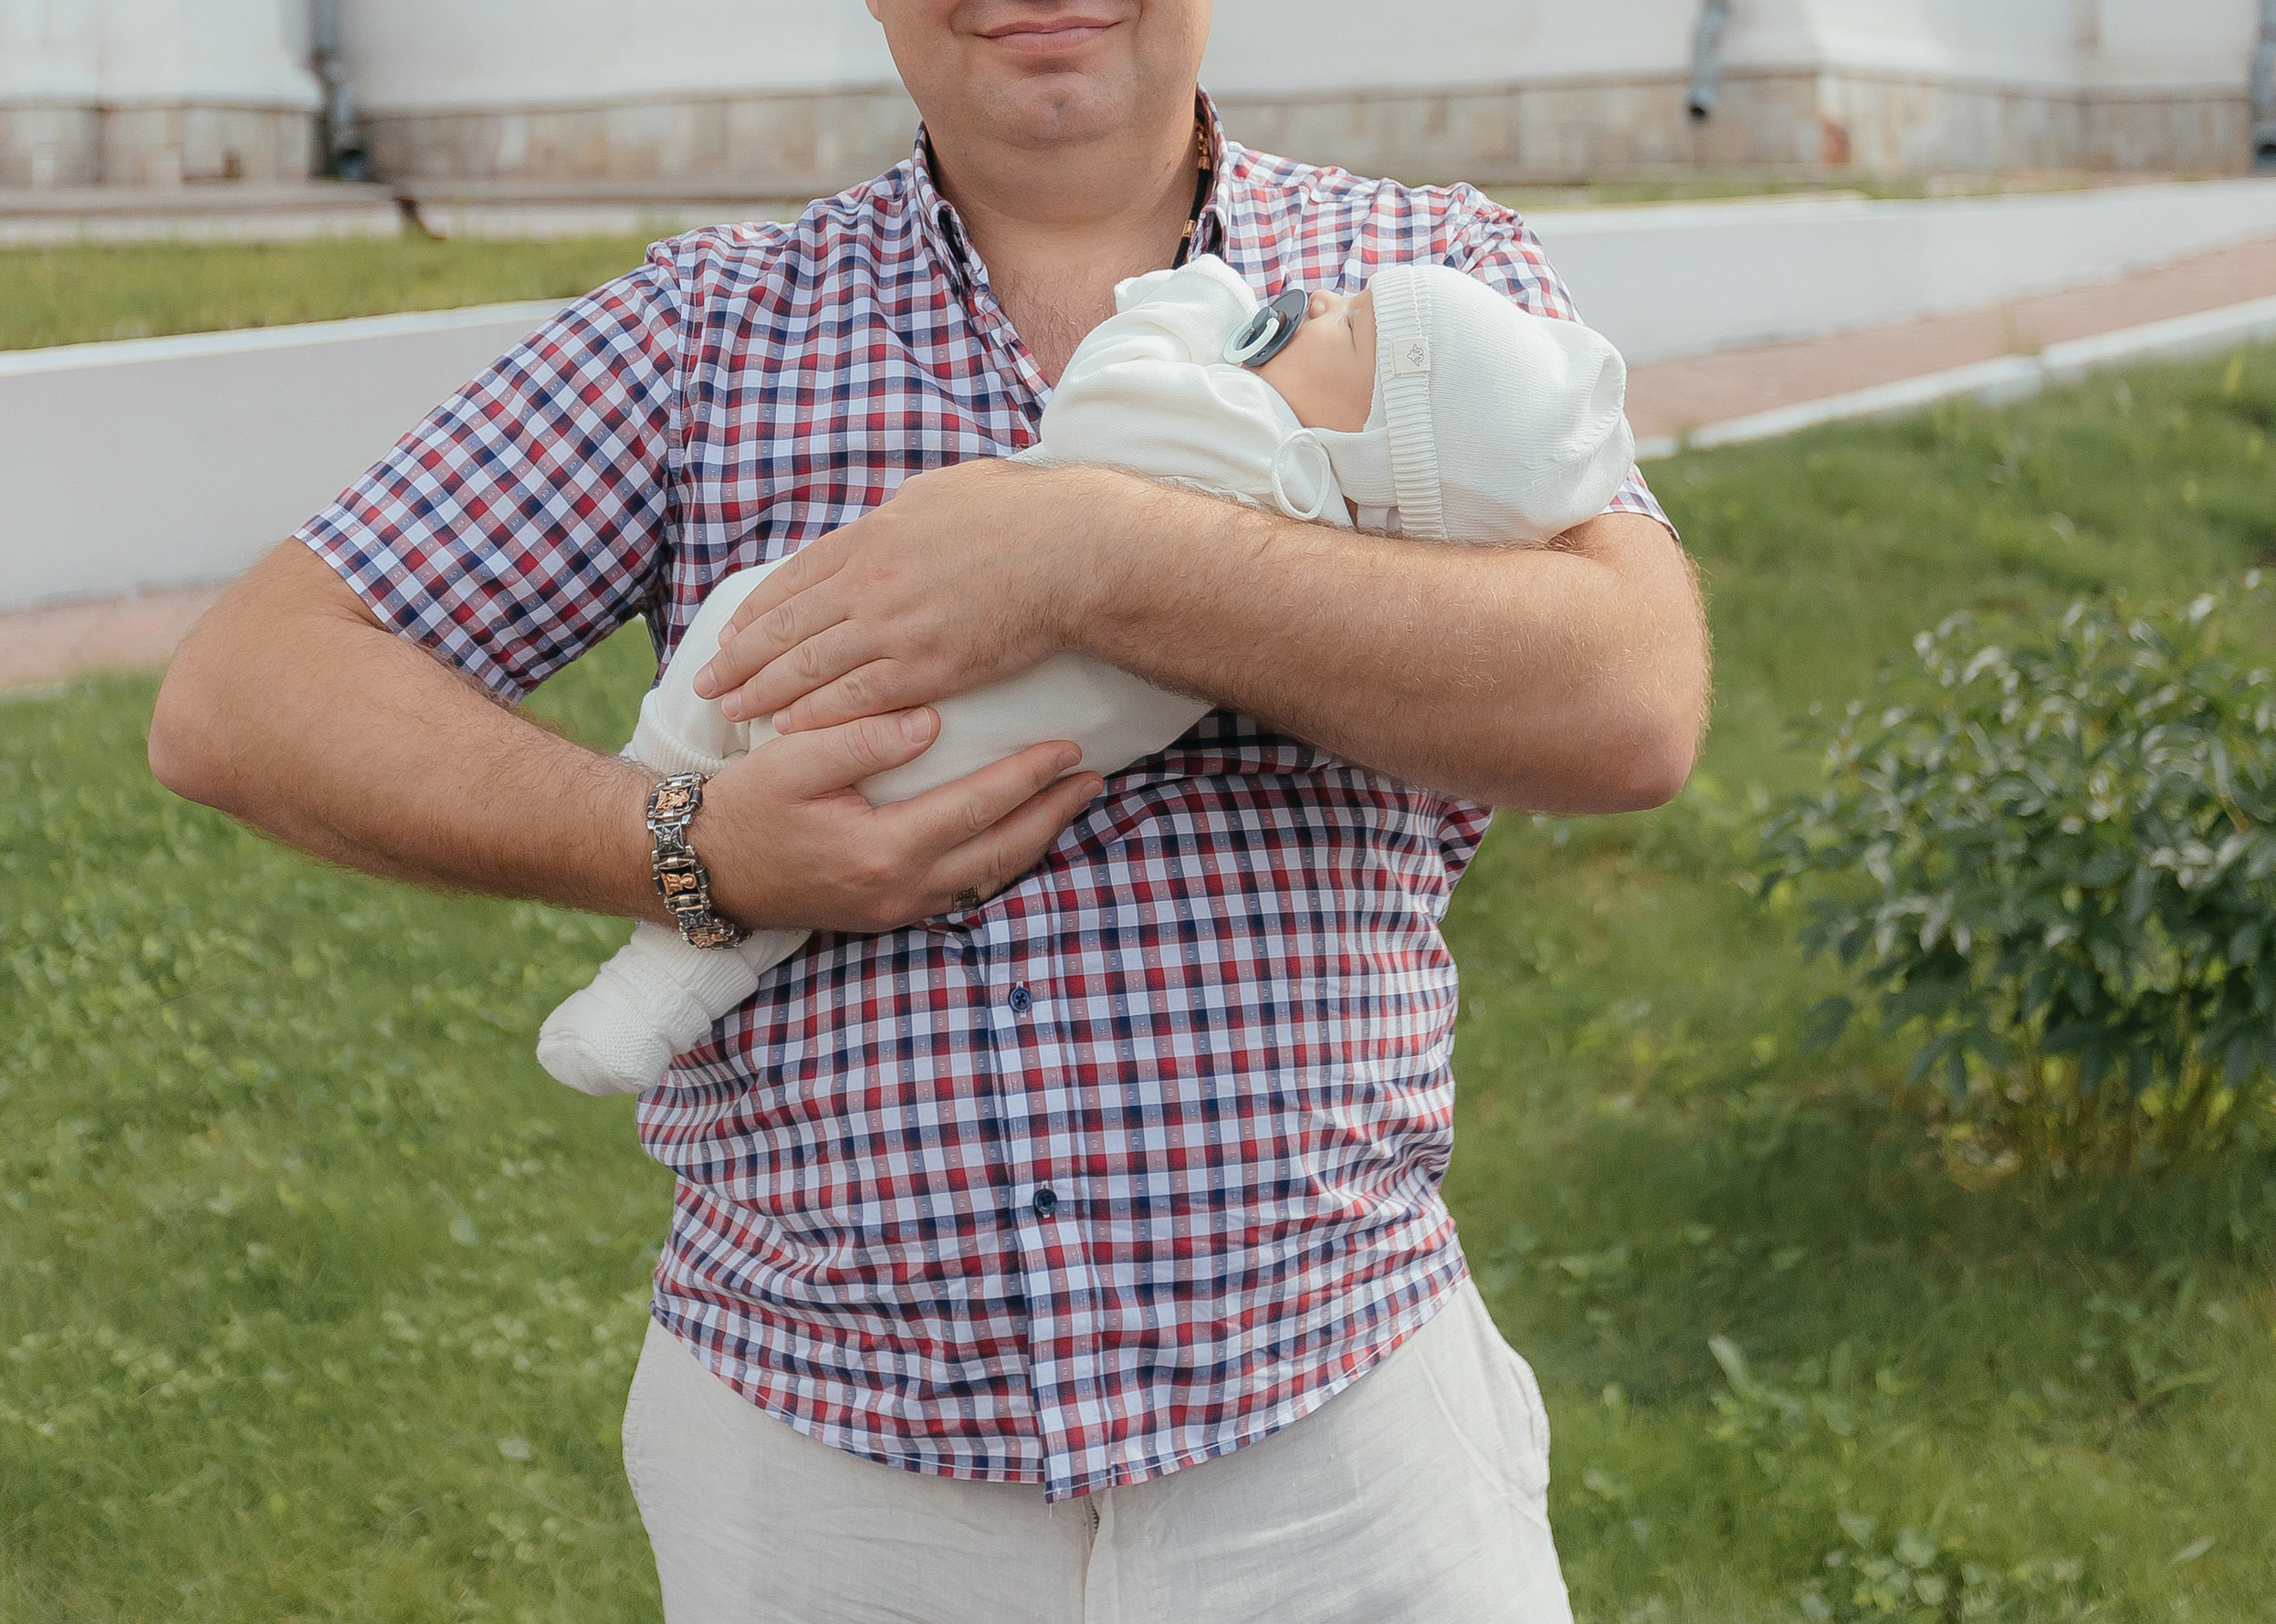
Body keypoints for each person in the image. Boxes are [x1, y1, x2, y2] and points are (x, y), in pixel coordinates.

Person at [152, 0, 1707, 1624]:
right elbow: (243, 689)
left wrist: (1098, 547)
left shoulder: (1423, 282)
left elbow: (1626, 694)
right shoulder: (703, 334)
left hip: (1336, 1453)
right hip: (831, 1499)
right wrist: (682, 846)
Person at [536, 250, 1640, 1095]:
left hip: (901, 706)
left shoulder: (1249, 438)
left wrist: (1192, 302)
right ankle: (658, 970)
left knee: (744, 634)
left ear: (1360, 451)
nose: (1317, 301)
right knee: (795, 862)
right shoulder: (1350, 537)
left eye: (1346, 333)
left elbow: (1101, 401)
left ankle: (662, 780)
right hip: (978, 768)